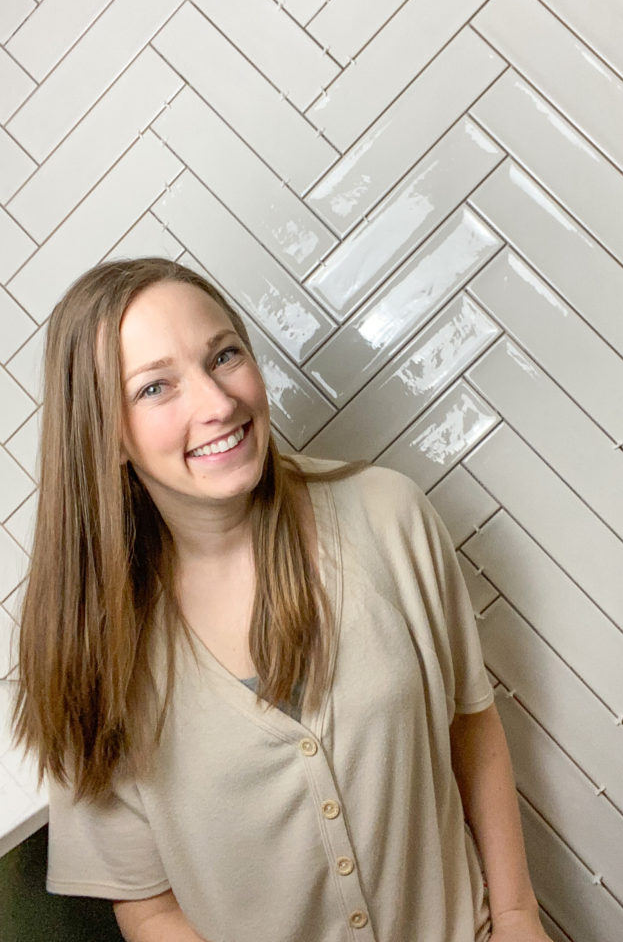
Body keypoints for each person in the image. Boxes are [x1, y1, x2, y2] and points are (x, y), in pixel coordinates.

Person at [13, 258, 550, 942]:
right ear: (105, 434)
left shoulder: (389, 517)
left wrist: (515, 918)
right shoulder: (88, 645)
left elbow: (471, 732)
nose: (216, 403)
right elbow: (147, 905)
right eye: (155, 387)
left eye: (224, 355)